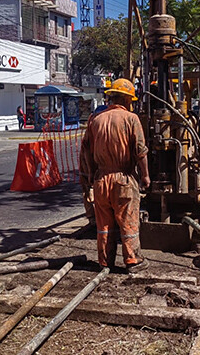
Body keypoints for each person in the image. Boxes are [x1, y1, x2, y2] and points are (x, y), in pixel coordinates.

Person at [81, 78, 151, 273]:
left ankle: (105, 262)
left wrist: (90, 175)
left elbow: (86, 150)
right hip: (124, 179)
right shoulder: (131, 119)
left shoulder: (96, 120)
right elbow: (140, 151)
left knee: (104, 224)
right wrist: (145, 176)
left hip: (101, 179)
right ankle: (132, 260)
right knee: (128, 220)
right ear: (127, 99)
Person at [79, 104, 109, 227]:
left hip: (93, 164)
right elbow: (87, 151)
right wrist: (91, 171)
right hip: (89, 164)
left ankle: (97, 217)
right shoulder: (95, 127)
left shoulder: (96, 124)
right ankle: (94, 218)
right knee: (90, 190)